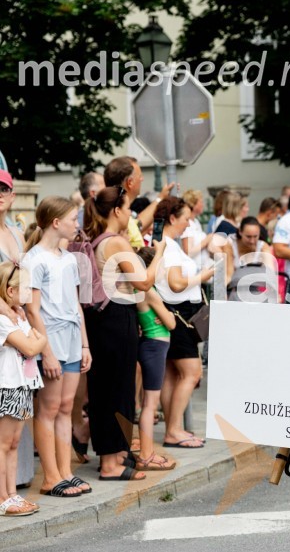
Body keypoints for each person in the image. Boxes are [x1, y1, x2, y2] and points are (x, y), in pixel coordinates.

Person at [83, 186, 165, 481]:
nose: (131, 214)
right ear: (116, 210)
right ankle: (110, 463)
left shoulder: (98, 238)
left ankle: (115, 454)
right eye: (128, 207)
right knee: (115, 390)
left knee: (111, 388)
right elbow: (143, 282)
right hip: (116, 318)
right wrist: (159, 254)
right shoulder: (116, 241)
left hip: (105, 320)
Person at [23, 197, 93, 496]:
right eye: (72, 218)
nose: (76, 223)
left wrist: (85, 345)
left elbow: (75, 303)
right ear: (55, 222)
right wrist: (46, 352)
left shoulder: (68, 258)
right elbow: (32, 310)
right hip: (50, 340)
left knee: (66, 407)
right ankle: (50, 477)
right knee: (49, 410)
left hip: (72, 340)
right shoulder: (34, 260)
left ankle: (66, 472)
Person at [153, 198, 214, 449]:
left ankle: (173, 428)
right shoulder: (169, 247)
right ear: (172, 218)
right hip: (179, 314)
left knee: (171, 374)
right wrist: (203, 276)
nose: (189, 224)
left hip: (173, 311)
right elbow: (177, 283)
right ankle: (175, 430)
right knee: (192, 372)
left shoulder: (165, 244)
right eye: (186, 218)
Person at [0, 261, 47, 516]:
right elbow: (32, 346)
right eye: (24, 288)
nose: (29, 292)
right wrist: (34, 341)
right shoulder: (4, 320)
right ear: (9, 291)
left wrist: (35, 340)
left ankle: (11, 494)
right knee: (3, 443)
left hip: (22, 384)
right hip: (7, 386)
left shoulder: (18, 316)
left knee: (15, 442)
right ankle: (2, 498)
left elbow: (40, 338)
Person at [0, 170, 35, 488]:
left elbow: (22, 283)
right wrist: (9, 315)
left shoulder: (16, 232)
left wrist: (22, 316)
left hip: (17, 321)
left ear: (12, 195)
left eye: (3, 189)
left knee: (18, 406)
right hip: (4, 326)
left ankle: (16, 483)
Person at [133, 248, 177, 471]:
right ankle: (146, 454)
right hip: (155, 345)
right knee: (150, 404)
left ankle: (146, 450)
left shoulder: (138, 289)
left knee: (148, 403)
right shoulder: (150, 291)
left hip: (151, 345)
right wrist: (167, 316)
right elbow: (171, 323)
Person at [103, 156, 173, 248]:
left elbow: (139, 224)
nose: (142, 179)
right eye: (140, 176)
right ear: (130, 182)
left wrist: (161, 198)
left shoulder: (111, 212)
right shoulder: (119, 219)